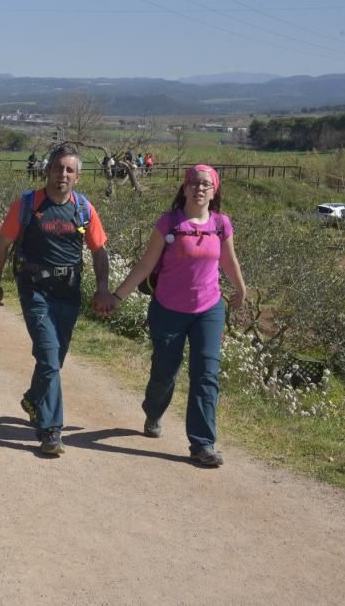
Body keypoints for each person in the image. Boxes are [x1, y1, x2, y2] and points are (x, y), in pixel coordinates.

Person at [102, 164, 246, 467]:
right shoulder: (168, 223)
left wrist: (240, 289)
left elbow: (229, 261)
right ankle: (153, 411)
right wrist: (117, 296)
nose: (200, 188)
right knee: (165, 373)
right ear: (184, 187)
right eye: (194, 182)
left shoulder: (221, 224)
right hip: (168, 309)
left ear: (214, 190)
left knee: (206, 374)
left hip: (209, 309)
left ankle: (202, 444)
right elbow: (144, 266)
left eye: (206, 184)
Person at [0, 143, 113, 455]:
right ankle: (51, 430)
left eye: (69, 170)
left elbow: (99, 252)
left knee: (53, 360)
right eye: (58, 168)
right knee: (49, 354)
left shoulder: (84, 209)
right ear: (47, 171)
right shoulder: (27, 205)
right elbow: (2, 245)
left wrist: (103, 288)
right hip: (34, 291)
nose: (62, 175)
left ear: (78, 177)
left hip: (69, 294)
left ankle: (33, 398)